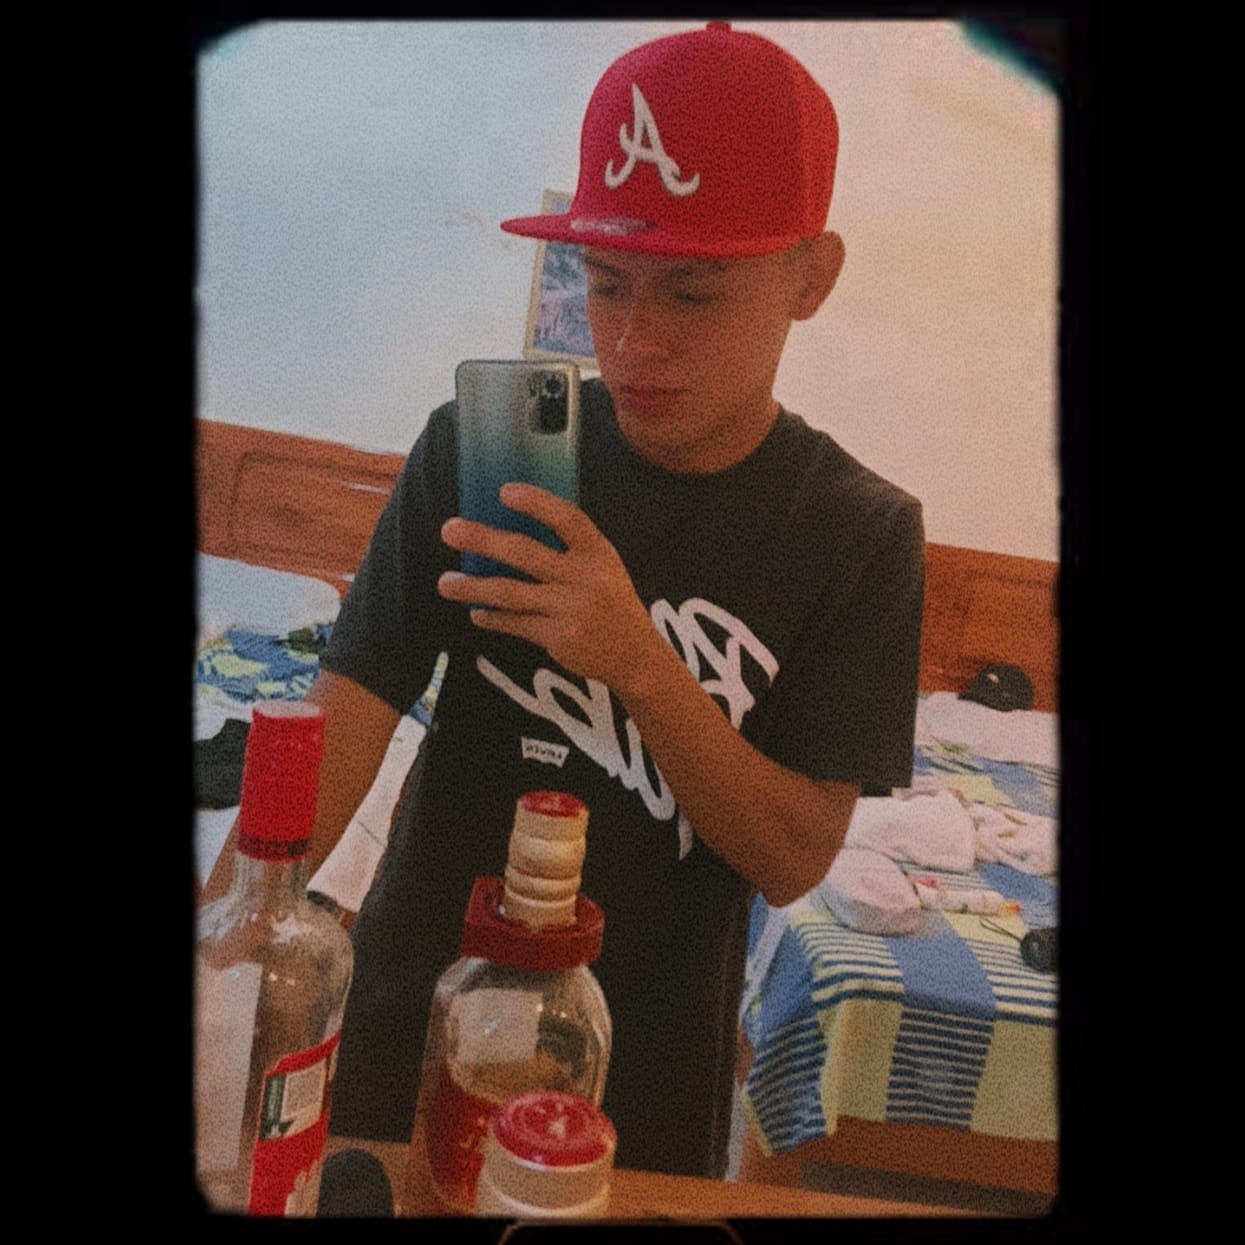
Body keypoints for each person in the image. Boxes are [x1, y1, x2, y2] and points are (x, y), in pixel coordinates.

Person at [203, 21, 925, 1181]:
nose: (634, 342)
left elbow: (793, 855)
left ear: (811, 276)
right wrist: (216, 964)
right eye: (605, 284)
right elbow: (345, 721)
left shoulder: (857, 534)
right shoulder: (480, 455)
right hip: (410, 1014)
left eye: (693, 295)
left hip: (641, 1064)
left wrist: (637, 661)